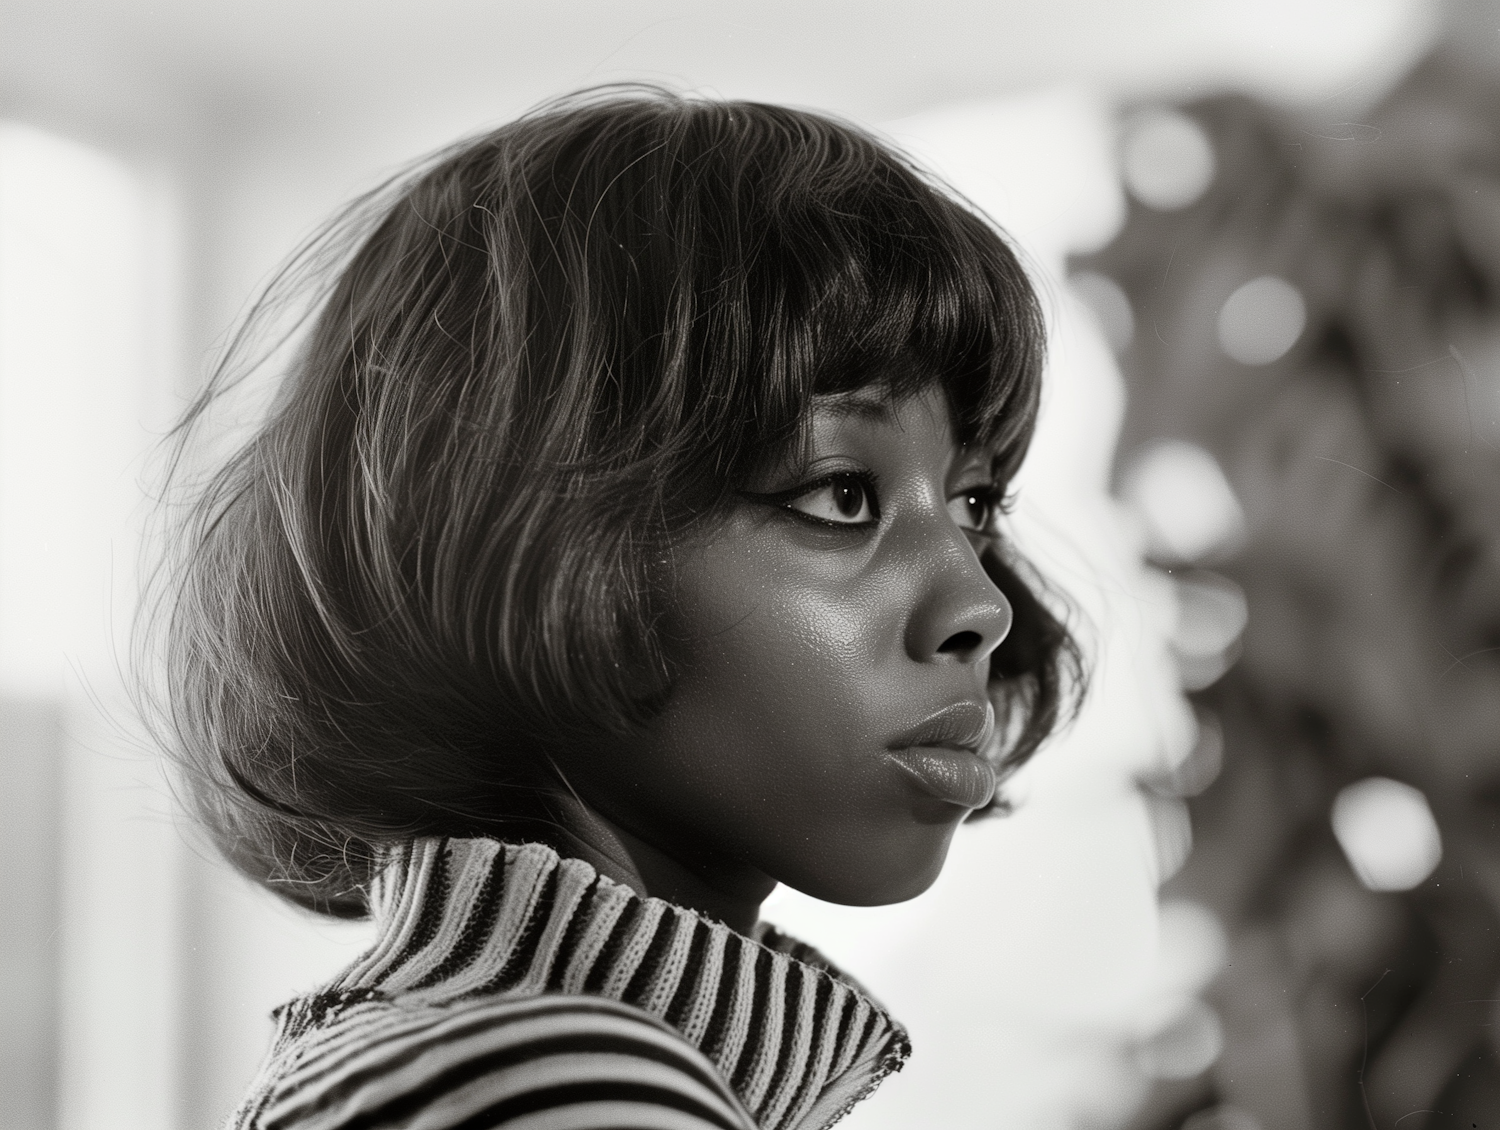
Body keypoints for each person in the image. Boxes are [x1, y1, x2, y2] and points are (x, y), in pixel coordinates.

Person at [142, 87, 1080, 1130]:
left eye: (974, 503)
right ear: (519, 531)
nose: (982, 604)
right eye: (841, 493)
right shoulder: (553, 1074)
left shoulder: (457, 1054)